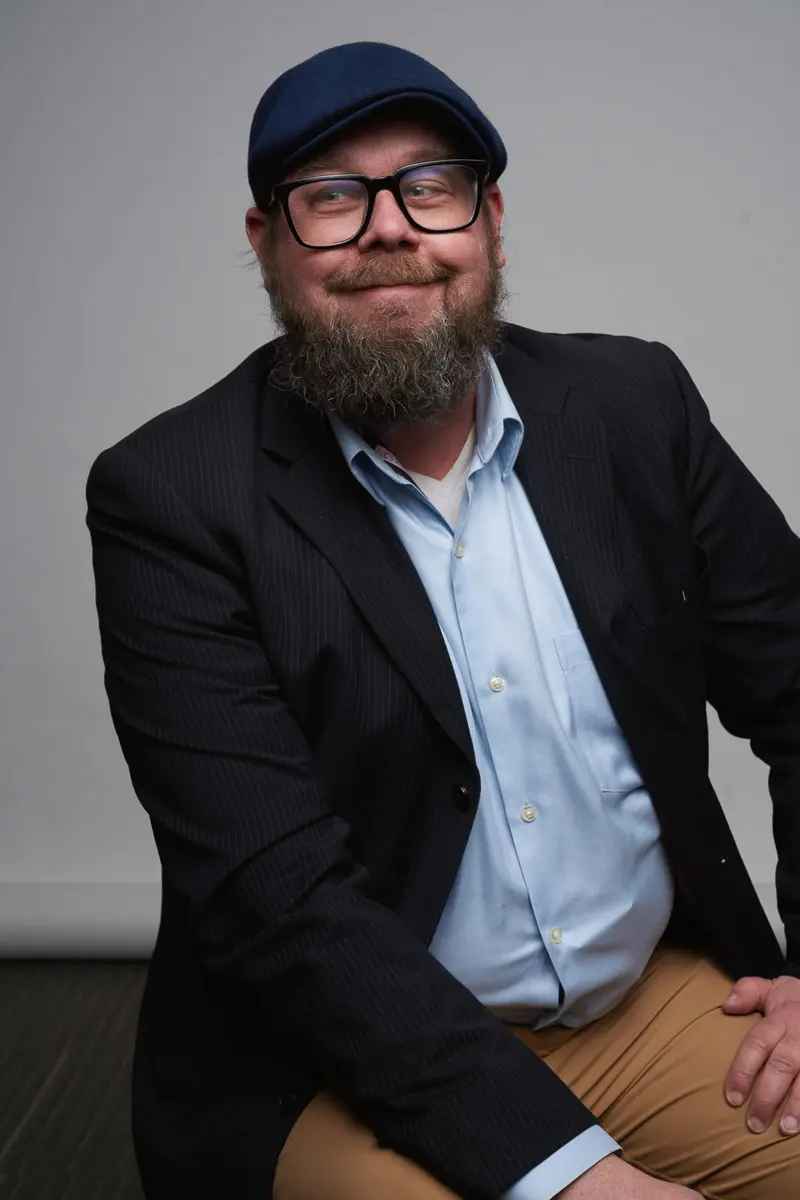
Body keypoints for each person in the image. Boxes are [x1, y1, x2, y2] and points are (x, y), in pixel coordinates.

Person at [85, 40, 800, 1200]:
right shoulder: (172, 495)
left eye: (429, 185)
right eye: (330, 196)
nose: (386, 228)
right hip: (332, 1060)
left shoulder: (633, 408)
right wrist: (572, 1179)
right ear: (266, 243)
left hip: (644, 1002)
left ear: (489, 222)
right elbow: (283, 901)